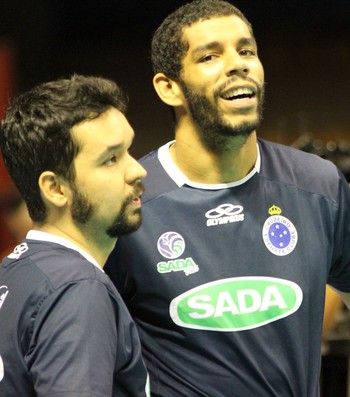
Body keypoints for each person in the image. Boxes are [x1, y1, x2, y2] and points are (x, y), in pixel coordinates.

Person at [104, 1, 350, 396]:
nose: (238, 64)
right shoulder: (126, 203)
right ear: (169, 87)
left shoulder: (317, 185)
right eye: (210, 56)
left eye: (247, 50)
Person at [0, 74, 149, 396]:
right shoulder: (77, 289)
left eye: (129, 151)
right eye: (111, 159)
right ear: (56, 189)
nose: (137, 169)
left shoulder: (15, 273)